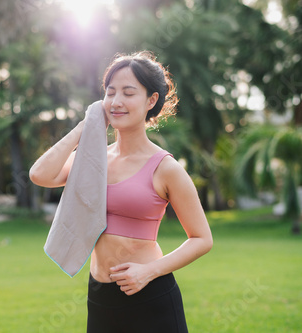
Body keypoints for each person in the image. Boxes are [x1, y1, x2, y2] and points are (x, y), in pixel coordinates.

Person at [29, 51, 213, 332]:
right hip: (100, 297)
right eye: (110, 92)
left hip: (149, 296)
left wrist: (148, 271)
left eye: (128, 93)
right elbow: (40, 174)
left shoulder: (166, 168)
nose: (116, 102)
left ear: (151, 100)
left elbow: (202, 239)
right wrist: (86, 126)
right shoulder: (94, 160)